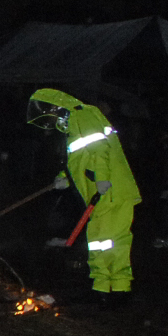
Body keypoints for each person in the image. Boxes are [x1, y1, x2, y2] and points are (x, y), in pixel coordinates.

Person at [28, 88, 141, 304]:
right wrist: (64, 177)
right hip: (105, 192)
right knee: (104, 242)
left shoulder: (83, 114)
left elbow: (100, 149)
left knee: (108, 241)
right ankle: (109, 289)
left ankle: (112, 290)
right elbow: (80, 159)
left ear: (56, 107)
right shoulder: (74, 124)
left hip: (111, 191)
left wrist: (102, 179)